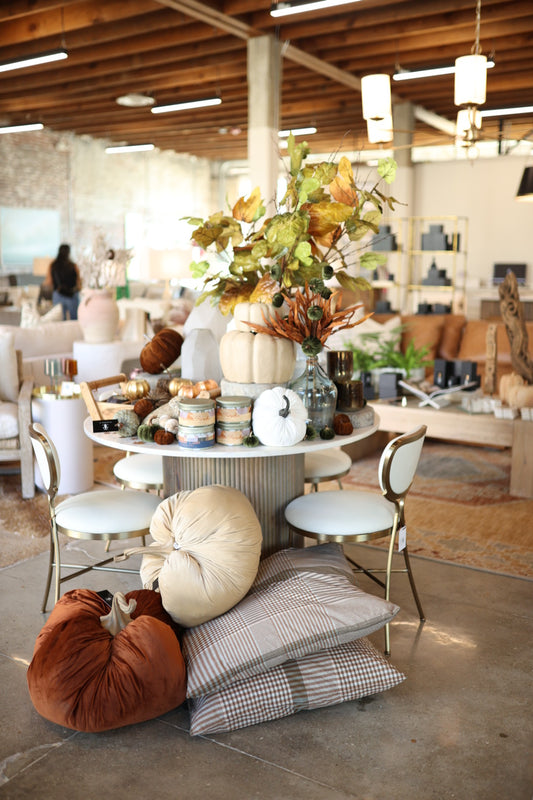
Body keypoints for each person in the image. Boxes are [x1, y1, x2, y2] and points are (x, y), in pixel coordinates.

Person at [45, 243, 81, 320]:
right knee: (74, 319)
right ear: (69, 252)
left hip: (58, 294)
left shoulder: (53, 265)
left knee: (59, 319)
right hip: (72, 294)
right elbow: (78, 282)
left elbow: (49, 281)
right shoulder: (73, 266)